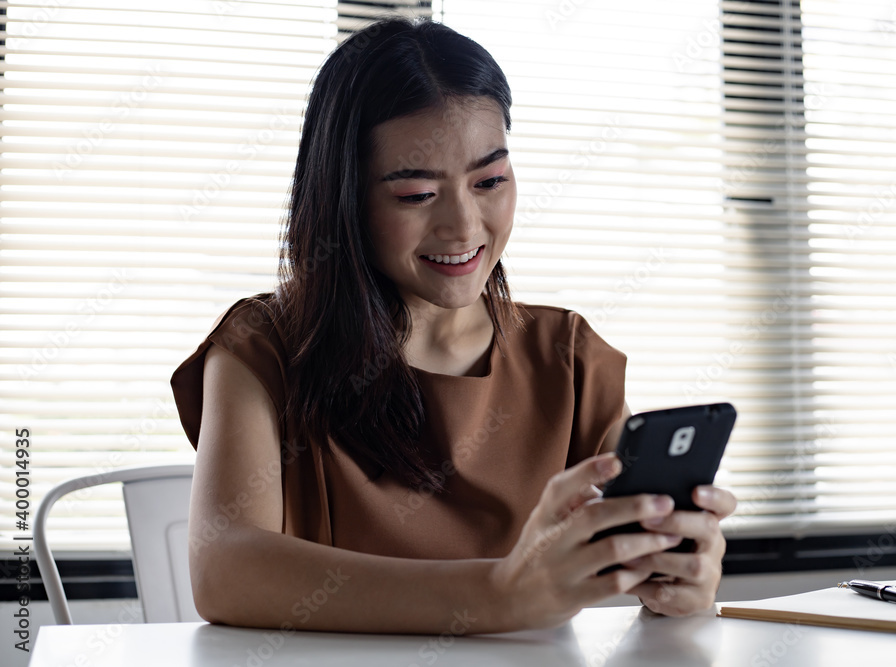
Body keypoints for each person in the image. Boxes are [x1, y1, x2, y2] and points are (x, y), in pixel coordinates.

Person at [170, 15, 737, 635]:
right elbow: (224, 572)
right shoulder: (263, 348)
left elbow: (638, 553)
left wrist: (681, 580)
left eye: (490, 180)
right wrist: (498, 593)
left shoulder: (568, 358)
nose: (464, 227)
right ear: (345, 198)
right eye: (416, 194)